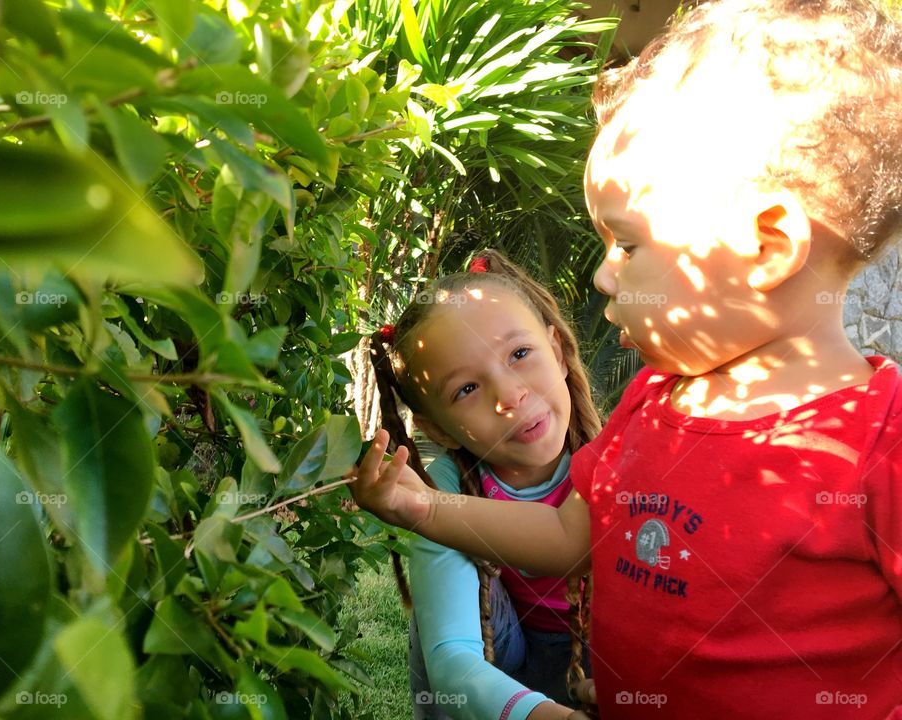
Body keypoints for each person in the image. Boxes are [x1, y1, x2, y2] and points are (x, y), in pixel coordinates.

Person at [352, 1, 902, 718]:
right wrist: (421, 506)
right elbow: (568, 536)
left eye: (629, 245)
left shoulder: (880, 448)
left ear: (767, 248)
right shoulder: (651, 402)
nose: (603, 276)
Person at [365, 250, 602, 720]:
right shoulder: (446, 487)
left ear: (556, 352)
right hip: (500, 664)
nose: (510, 396)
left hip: (602, 654)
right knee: (442, 543)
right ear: (441, 429)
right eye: (467, 389)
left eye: (520, 354)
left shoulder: (614, 456)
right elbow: (453, 659)